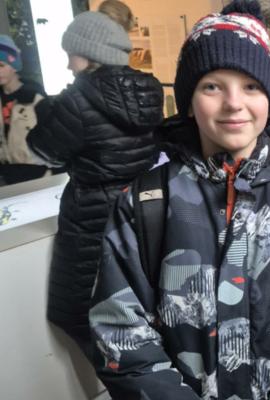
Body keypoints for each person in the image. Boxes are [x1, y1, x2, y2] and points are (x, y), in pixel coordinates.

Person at [89, 1, 270, 399]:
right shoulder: (145, 203)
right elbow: (119, 329)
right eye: (212, 86)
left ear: (269, 100)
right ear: (189, 101)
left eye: (251, 86)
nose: (234, 102)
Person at [26, 2, 164, 359]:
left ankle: (123, 378)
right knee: (135, 306)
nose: (67, 64)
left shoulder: (76, 100)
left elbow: (42, 151)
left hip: (91, 220)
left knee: (73, 312)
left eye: (70, 55)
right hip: (141, 213)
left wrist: (45, 110)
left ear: (89, 54)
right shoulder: (149, 90)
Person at [0, 34, 47, 184]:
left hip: (38, 172)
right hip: (7, 175)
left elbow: (51, 135)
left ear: (14, 65)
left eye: (1, 65)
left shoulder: (34, 96)